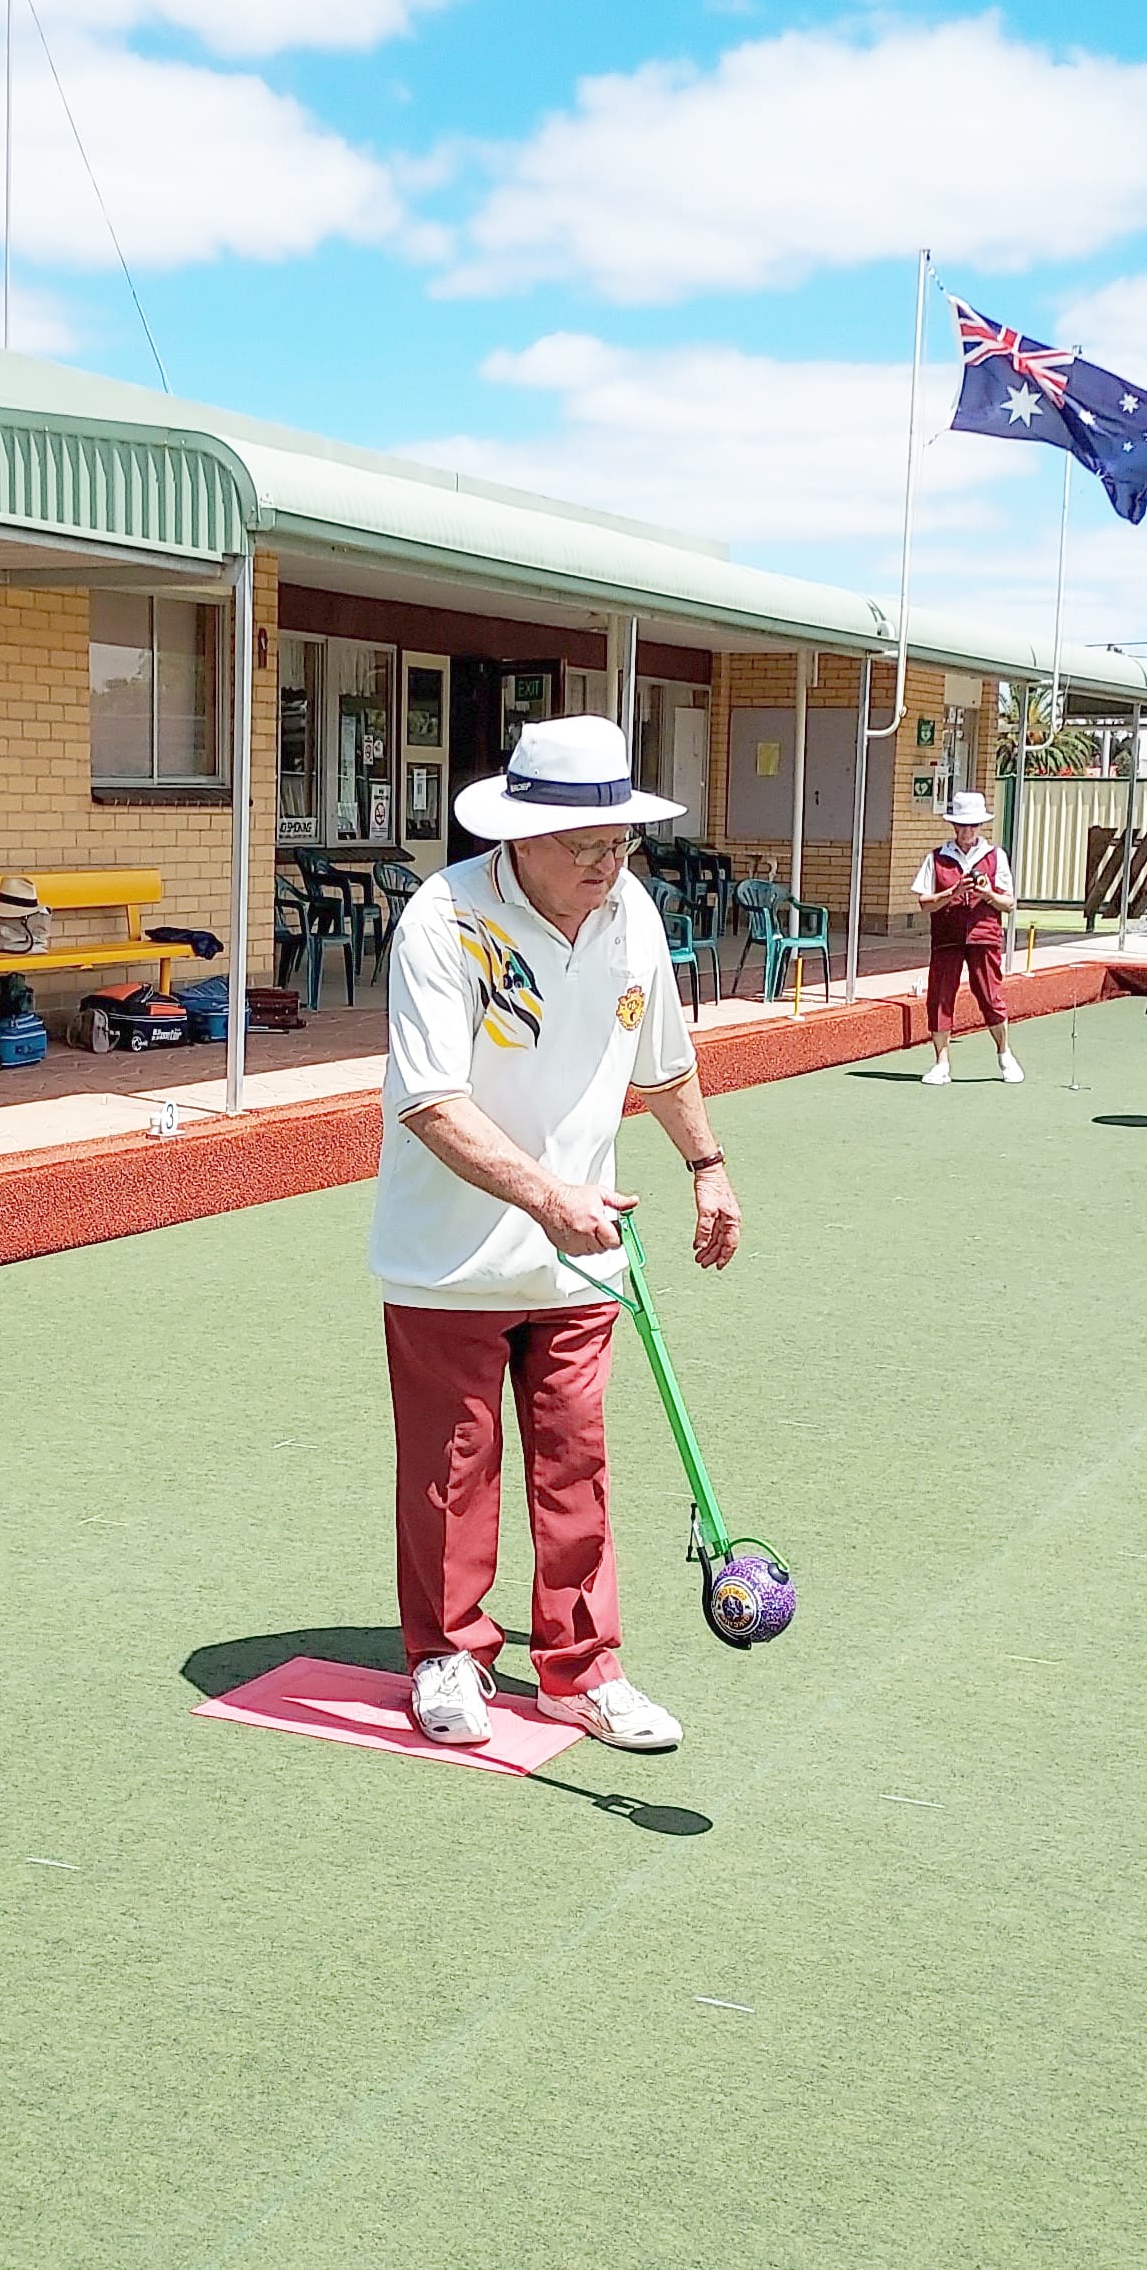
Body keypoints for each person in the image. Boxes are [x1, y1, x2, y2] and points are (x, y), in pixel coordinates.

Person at [370, 717, 742, 1755]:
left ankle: (582, 1672)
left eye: (617, 839)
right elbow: (431, 1102)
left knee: (576, 1463)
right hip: (449, 1255)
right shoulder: (443, 920)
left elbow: (660, 1063)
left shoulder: (629, 911)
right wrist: (543, 1195)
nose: (605, 860)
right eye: (582, 843)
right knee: (453, 1466)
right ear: (517, 838)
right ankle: (448, 1657)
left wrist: (705, 1165)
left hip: (582, 1253)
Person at [910, 791, 1023, 1086]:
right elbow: (924, 902)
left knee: (989, 995)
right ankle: (941, 1063)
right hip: (947, 936)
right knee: (939, 998)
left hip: (984, 935)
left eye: (972, 825)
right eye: (961, 825)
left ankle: (1004, 1053)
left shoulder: (995, 856)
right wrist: (953, 893)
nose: (966, 831)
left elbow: (1009, 903)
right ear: (953, 826)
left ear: (980, 826)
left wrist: (987, 894)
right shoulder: (937, 858)